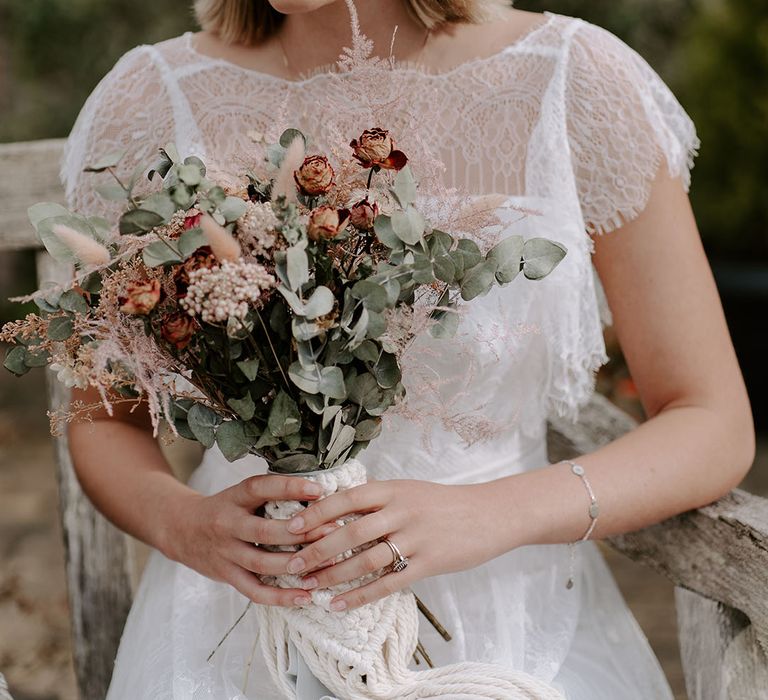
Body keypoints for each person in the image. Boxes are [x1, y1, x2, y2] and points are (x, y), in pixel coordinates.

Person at [61, 1, 755, 698]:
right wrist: (184, 525)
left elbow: (712, 421)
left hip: (514, 624)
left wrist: (496, 512)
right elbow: (100, 416)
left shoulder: (575, 79)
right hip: (239, 633)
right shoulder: (152, 95)